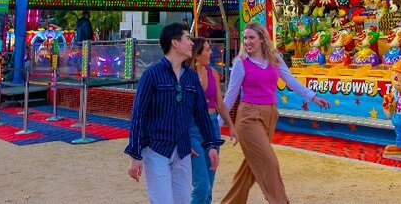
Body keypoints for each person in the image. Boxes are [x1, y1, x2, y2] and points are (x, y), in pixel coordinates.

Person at [220, 21, 331, 204]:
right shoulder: (241, 63)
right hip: (248, 117)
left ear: (262, 39)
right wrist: (219, 122)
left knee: (250, 167)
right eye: (245, 38)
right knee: (269, 161)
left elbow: (291, 81)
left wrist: (313, 97)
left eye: (251, 37)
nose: (247, 41)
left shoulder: (275, 59)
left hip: (270, 114)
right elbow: (230, 95)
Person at [125, 23, 222, 204]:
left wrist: (210, 144)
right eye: (187, 38)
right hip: (156, 150)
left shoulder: (191, 77)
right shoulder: (151, 75)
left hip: (183, 151)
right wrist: (135, 155)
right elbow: (139, 115)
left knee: (182, 200)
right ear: (175, 43)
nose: (192, 43)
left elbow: (201, 113)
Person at [190, 37, 238, 204]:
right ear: (197, 54)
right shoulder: (186, 75)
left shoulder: (213, 73)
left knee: (209, 184)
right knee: (201, 185)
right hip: (192, 129)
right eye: (207, 50)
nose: (211, 52)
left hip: (211, 127)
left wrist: (231, 125)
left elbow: (220, 103)